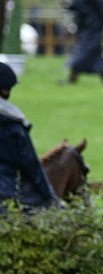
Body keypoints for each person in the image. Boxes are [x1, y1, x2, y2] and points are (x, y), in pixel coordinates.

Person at [0, 62, 60, 214]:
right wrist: (50, 198)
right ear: (5, 90)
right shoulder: (13, 126)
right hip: (4, 194)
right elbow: (31, 165)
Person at [64, 0, 103, 84]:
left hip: (94, 28)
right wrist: (69, 6)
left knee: (83, 52)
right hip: (84, 28)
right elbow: (79, 6)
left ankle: (72, 79)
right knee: (92, 54)